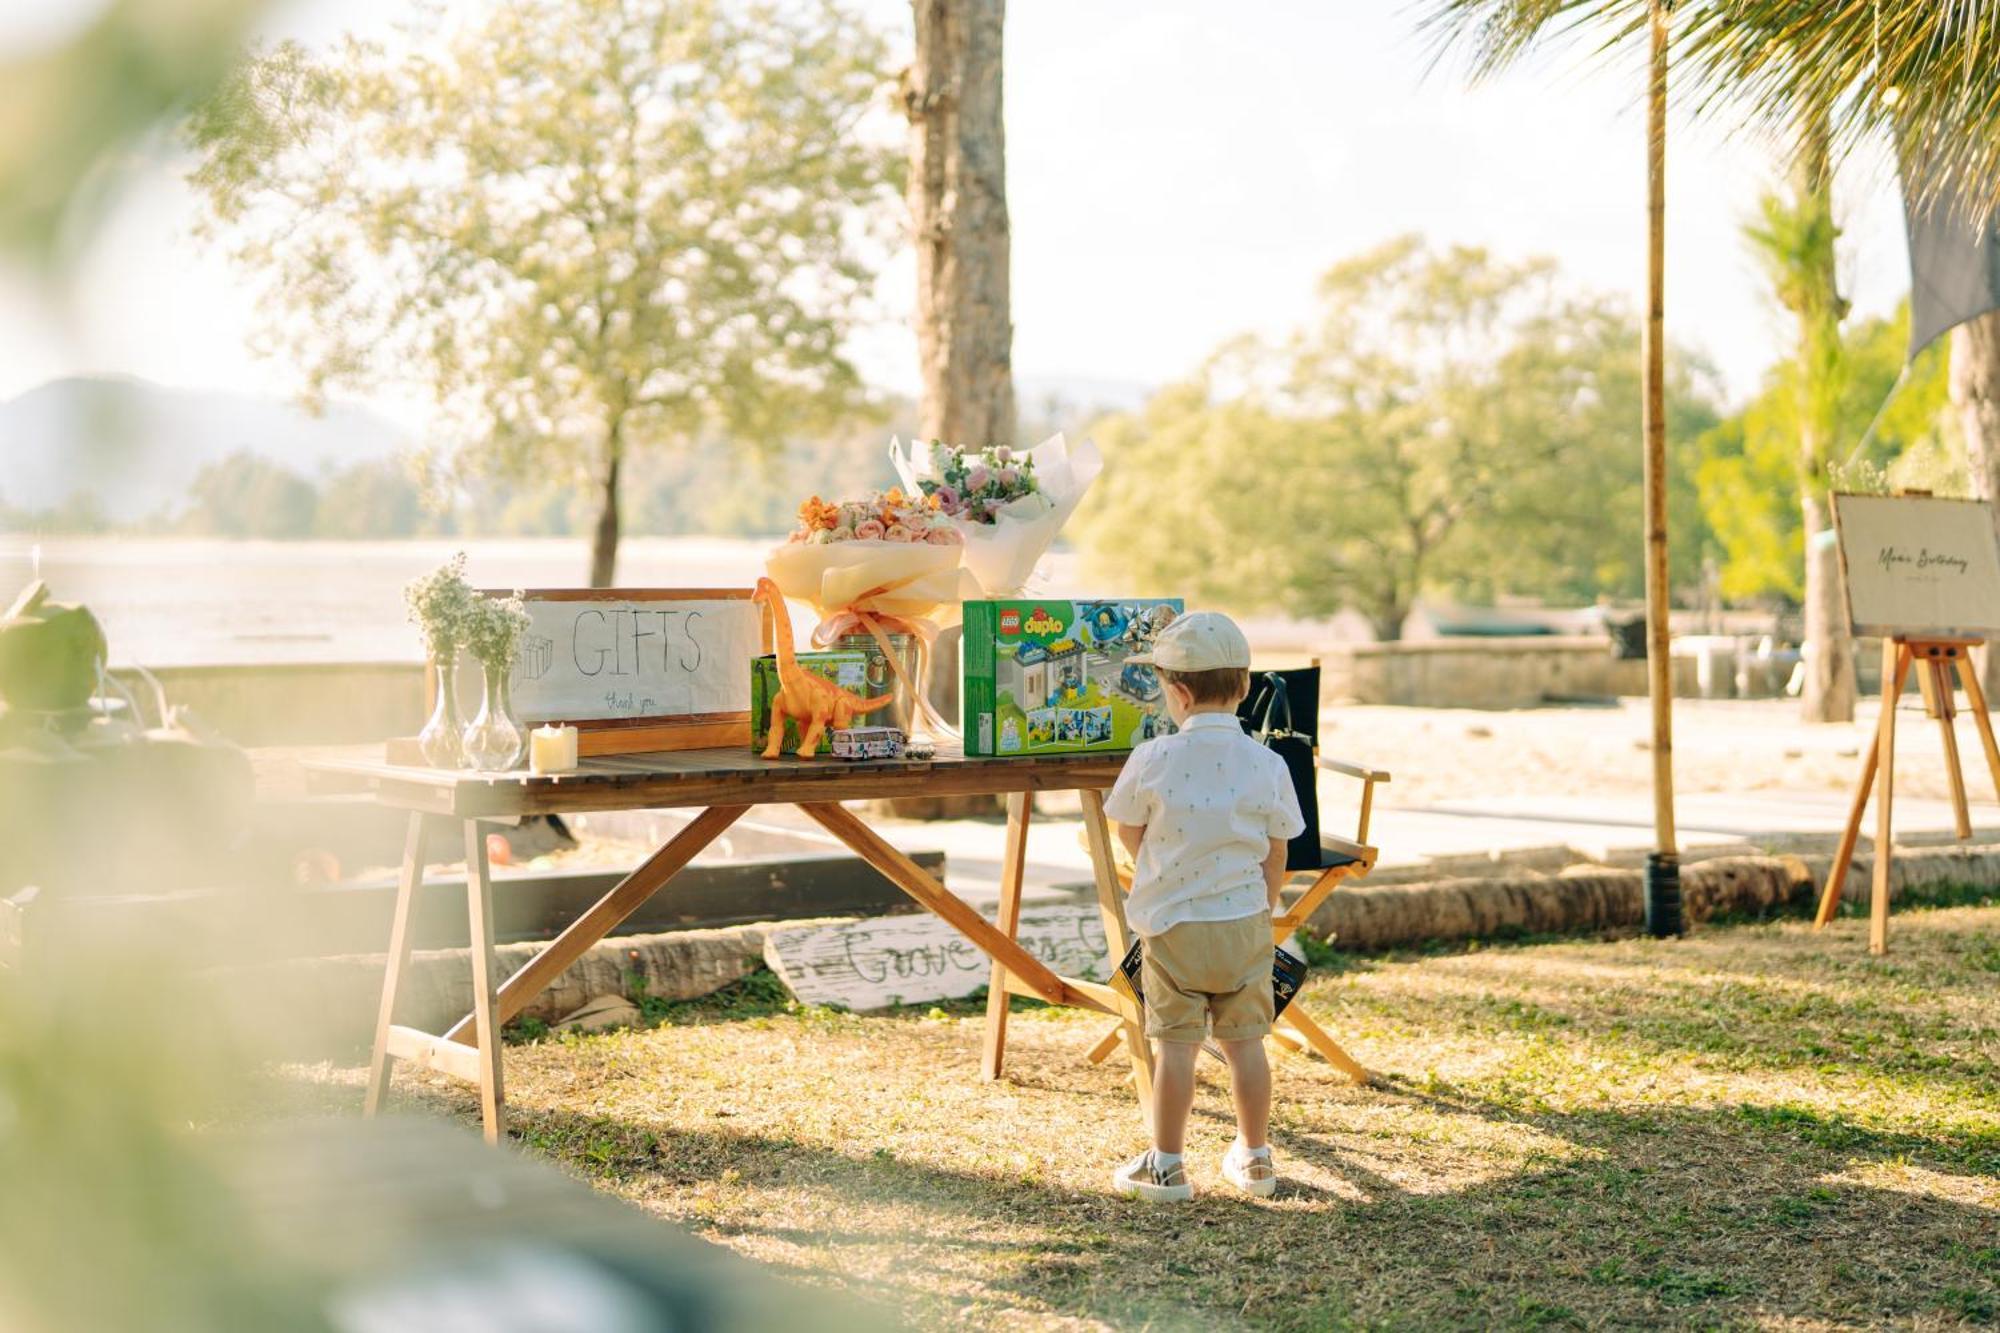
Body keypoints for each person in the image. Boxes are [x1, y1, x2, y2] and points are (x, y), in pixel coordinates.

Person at [1103, 610, 1302, 1201]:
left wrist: (1158, 866)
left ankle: (1166, 1167)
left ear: (1178, 691)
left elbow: (1126, 829)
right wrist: (1261, 907)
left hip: (1172, 928)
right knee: (1246, 1046)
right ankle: (1257, 1159)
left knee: (1177, 1049)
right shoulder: (1268, 763)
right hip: (1243, 925)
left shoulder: (1152, 759)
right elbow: (1277, 848)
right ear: (1243, 687)